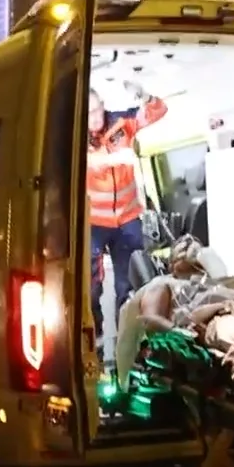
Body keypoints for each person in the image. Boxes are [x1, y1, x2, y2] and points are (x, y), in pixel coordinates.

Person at [86, 86, 168, 320]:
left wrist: (144, 95)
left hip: (128, 219)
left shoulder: (122, 123)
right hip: (95, 222)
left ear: (103, 105)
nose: (94, 118)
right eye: (89, 113)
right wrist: (113, 159)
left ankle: (129, 330)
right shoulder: (73, 134)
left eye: (97, 110)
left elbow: (159, 110)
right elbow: (82, 163)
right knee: (90, 283)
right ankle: (94, 328)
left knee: (130, 279)